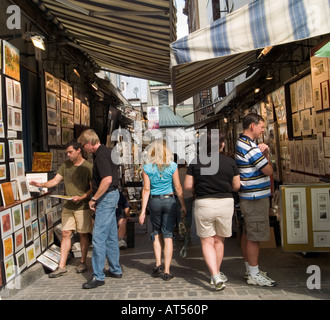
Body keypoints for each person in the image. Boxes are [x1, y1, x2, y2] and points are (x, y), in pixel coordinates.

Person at [184, 130, 240, 291]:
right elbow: (237, 185)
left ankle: (215, 275)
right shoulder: (230, 162)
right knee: (219, 240)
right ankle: (217, 272)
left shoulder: (196, 162)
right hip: (225, 203)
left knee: (207, 241)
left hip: (204, 203)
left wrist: (200, 186)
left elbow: (187, 186)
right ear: (221, 144)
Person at [30, 140, 93, 278]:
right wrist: (40, 184)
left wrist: (82, 197)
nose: (68, 155)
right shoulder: (65, 165)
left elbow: (92, 188)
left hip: (82, 206)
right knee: (65, 233)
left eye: (70, 152)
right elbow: (55, 181)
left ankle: (82, 261)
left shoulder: (88, 167)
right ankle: (62, 266)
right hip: (68, 205)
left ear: (78, 151)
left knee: (83, 234)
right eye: (67, 153)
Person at [235, 113, 276, 287]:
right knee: (255, 235)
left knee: (248, 233)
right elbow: (268, 170)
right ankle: (254, 272)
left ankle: (249, 269)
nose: (262, 130)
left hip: (250, 196)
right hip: (254, 197)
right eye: (261, 126)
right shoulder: (249, 146)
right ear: (252, 126)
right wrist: (265, 154)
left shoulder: (246, 144)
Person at [78, 129, 121, 289]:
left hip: (106, 197)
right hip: (111, 196)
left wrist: (94, 198)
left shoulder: (101, 155)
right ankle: (115, 269)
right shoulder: (107, 152)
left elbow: (107, 179)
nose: (83, 149)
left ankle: (98, 276)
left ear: (90, 143)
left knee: (98, 237)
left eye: (83, 145)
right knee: (110, 235)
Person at [139, 139, 186, 281]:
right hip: (169, 200)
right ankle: (167, 270)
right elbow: (178, 187)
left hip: (154, 201)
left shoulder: (147, 168)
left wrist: (142, 211)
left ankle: (158, 263)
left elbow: (146, 189)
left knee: (156, 232)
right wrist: (183, 204)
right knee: (168, 235)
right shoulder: (172, 166)